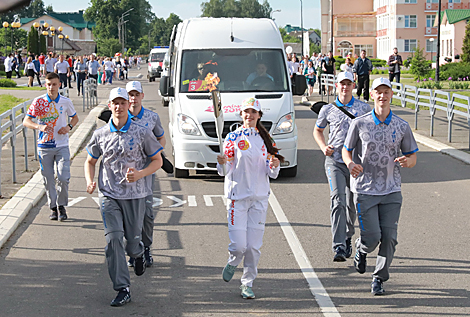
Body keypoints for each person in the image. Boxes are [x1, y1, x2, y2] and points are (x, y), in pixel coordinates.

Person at [84, 87, 163, 307]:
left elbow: (157, 161)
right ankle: (122, 288)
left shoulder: (141, 132)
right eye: (114, 103)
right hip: (109, 195)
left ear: (129, 105)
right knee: (113, 239)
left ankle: (137, 254)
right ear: (109, 106)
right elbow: (90, 161)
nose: (119, 107)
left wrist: (140, 174)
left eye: (122, 102)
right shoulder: (101, 134)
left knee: (132, 243)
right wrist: (90, 181)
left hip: (135, 195)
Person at [342, 77, 418, 295]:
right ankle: (361, 248)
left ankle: (379, 278)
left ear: (391, 95)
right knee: (372, 238)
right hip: (365, 189)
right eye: (379, 92)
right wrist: (350, 163)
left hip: (391, 189)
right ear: (372, 95)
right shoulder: (360, 123)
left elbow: (412, 156)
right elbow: (346, 149)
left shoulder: (401, 126)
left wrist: (408, 161)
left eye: (386, 92)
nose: (383, 96)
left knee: (390, 237)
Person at [217, 97, 282, 300]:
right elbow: (225, 169)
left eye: (253, 112)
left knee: (253, 247)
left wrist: (274, 164)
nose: (249, 115)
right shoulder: (233, 137)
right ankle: (233, 260)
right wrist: (222, 162)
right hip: (238, 198)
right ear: (241, 115)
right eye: (246, 112)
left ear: (259, 115)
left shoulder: (265, 140)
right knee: (239, 246)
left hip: (260, 198)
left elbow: (272, 173)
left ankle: (247, 283)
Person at [313, 72, 371, 262]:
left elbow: (371, 132)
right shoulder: (328, 109)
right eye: (341, 84)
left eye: (348, 84)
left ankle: (347, 237)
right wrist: (323, 147)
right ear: (336, 86)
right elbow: (318, 130)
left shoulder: (363, 108)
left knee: (352, 203)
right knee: (337, 199)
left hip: (355, 163)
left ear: (353, 85)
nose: (344, 87)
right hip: (335, 161)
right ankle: (338, 246)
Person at [23, 72, 79, 221]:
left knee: (63, 177)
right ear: (45, 85)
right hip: (44, 146)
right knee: (48, 179)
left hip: (62, 145)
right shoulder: (38, 102)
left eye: (54, 84)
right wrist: (38, 126)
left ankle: (62, 206)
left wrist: (68, 127)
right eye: (48, 84)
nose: (51, 88)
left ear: (59, 85)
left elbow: (75, 117)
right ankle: (53, 208)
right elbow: (26, 121)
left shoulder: (65, 102)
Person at [125, 81, 166, 269]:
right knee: (129, 216)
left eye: (136, 94)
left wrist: (156, 153)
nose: (133, 99)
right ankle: (134, 250)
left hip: (147, 171)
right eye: (130, 95)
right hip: (125, 173)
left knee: (147, 215)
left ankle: (146, 247)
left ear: (142, 96)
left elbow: (161, 138)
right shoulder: (120, 116)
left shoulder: (152, 117)